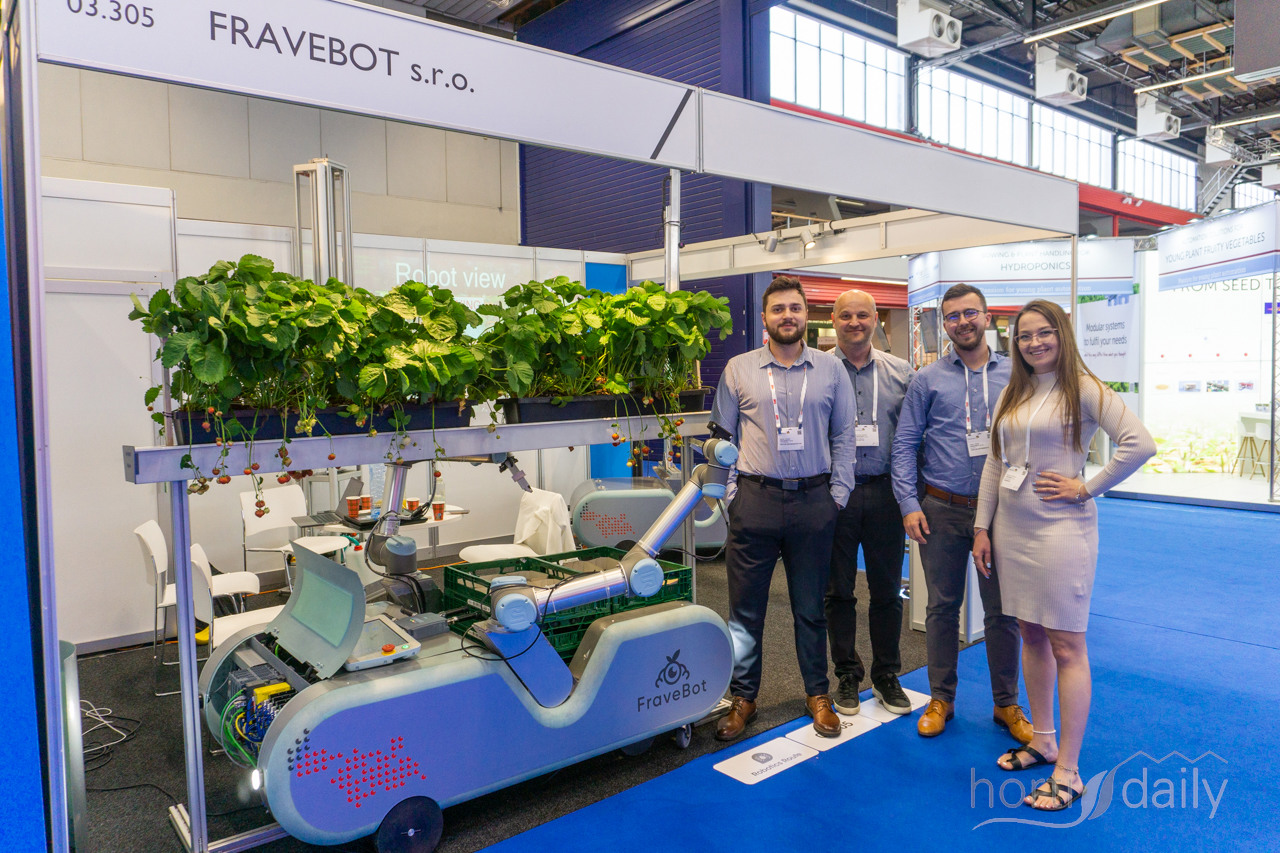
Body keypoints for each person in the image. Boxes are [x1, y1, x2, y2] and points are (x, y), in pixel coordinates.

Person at [973, 299, 1154, 811]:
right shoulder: (1014, 391)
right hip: (1011, 530)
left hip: (1061, 531)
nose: (1034, 343)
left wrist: (1086, 487)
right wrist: (982, 527)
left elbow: (1139, 444)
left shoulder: (1086, 388)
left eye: (1044, 333)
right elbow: (995, 464)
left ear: (1062, 335)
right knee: (1031, 633)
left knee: (1068, 645)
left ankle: (1069, 771)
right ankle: (1044, 740)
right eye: (1025, 336)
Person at [710, 275, 856, 741]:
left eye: (795, 307)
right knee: (745, 611)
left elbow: (844, 436)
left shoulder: (831, 370)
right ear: (765, 318)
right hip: (755, 499)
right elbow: (720, 439)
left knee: (811, 608)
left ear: (806, 314)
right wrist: (732, 494)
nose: (787, 316)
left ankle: (818, 693)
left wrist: (837, 495)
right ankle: (743, 697)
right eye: (778, 309)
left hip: (815, 501)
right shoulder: (738, 369)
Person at [891, 283, 1031, 744]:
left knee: (1003, 612)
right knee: (941, 608)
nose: (962, 322)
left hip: (1003, 512)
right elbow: (905, 444)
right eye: (952, 316)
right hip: (941, 508)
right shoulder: (927, 379)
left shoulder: (1018, 373)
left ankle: (1006, 703)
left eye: (970, 313)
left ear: (987, 317)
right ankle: (941, 699)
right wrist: (909, 504)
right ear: (945, 325)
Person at [824, 290, 915, 717]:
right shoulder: (818, 371)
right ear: (833, 319)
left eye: (863, 315)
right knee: (838, 591)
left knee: (887, 591)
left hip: (885, 494)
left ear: (876, 319)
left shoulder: (902, 373)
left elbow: (913, 438)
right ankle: (846, 674)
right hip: (834, 495)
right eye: (846, 315)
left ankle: (886, 675)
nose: (855, 322)